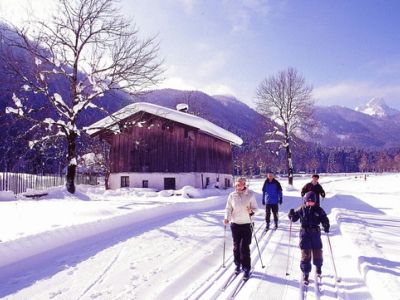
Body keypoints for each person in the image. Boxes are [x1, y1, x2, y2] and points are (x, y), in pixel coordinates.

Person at [288, 191, 330, 285]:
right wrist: (291, 214)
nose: (309, 203)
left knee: (317, 252)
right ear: (305, 201)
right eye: (308, 201)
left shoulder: (319, 210)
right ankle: (306, 273)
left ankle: (318, 267)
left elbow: (324, 218)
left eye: (311, 202)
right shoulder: (301, 209)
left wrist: (326, 224)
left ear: (315, 202)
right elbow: (294, 218)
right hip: (305, 233)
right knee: (305, 254)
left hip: (315, 233)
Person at [224, 177, 258, 279]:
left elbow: (256, 209)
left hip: (247, 224)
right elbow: (228, 208)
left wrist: (251, 211)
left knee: (244, 247)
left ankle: (246, 268)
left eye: (240, 184)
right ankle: (237, 264)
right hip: (235, 224)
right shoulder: (232, 195)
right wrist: (227, 218)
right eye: (237, 185)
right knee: (236, 246)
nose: (238, 186)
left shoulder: (250, 195)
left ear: (244, 184)